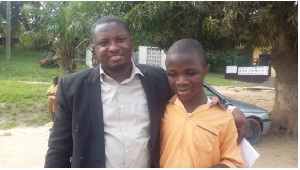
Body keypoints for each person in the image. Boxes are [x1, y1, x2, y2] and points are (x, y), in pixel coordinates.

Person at [44, 15, 249, 168]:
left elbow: (189, 91)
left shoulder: (157, 78)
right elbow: (58, 149)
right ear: (94, 48)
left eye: (120, 39)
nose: (113, 47)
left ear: (130, 40)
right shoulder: (72, 87)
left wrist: (230, 110)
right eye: (104, 43)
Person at [160, 39, 246, 168]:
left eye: (191, 73)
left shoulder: (224, 118)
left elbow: (234, 162)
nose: (181, 81)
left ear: (205, 71)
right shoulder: (162, 110)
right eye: (172, 74)